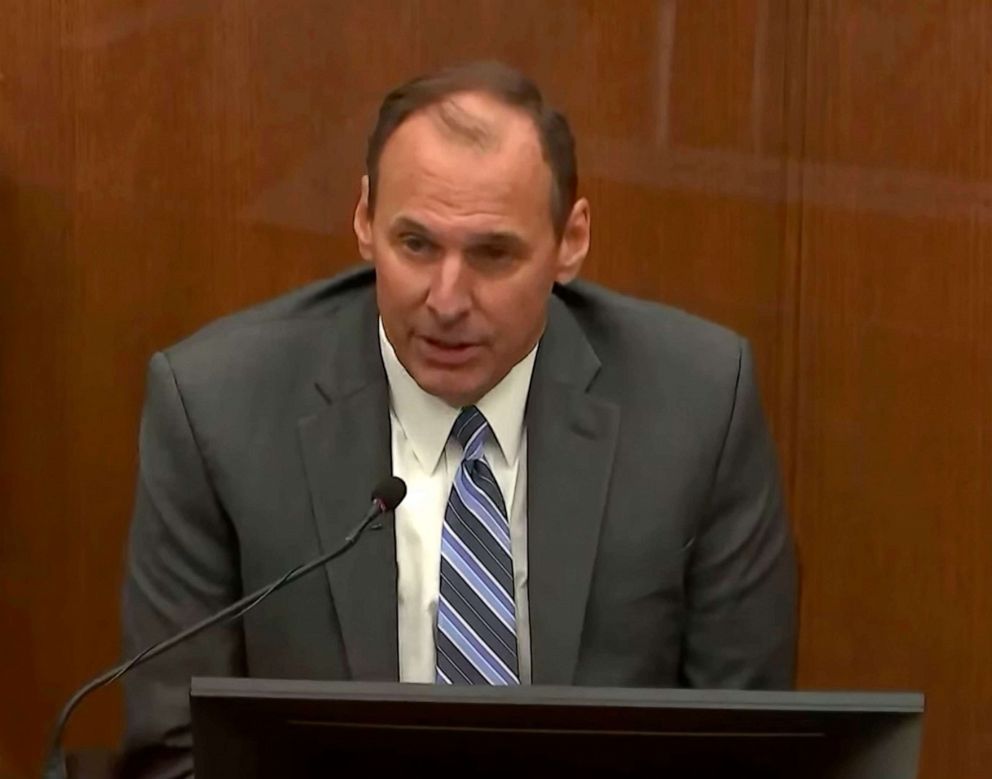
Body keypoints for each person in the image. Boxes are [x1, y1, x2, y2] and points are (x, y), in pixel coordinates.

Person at [120, 60, 797, 776]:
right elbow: (177, 752)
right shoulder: (216, 407)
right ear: (364, 220)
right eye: (416, 245)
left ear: (571, 240)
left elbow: (743, 743)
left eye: (492, 253)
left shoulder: (696, 404)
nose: (446, 298)